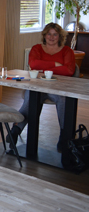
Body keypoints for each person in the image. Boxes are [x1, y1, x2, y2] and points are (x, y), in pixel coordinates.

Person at [7, 22, 76, 150]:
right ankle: (15, 130)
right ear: (44, 35)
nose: (51, 37)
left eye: (55, 34)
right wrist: (55, 64)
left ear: (60, 37)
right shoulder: (36, 49)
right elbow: (33, 64)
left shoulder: (67, 51)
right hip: (37, 86)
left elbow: (69, 71)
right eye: (49, 34)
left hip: (58, 87)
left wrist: (43, 66)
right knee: (30, 101)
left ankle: (65, 138)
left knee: (63, 101)